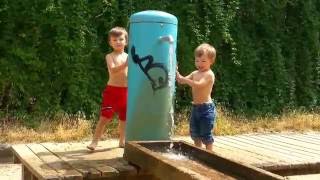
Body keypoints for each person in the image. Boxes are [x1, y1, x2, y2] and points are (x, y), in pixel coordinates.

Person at [87, 27, 128, 150]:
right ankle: (94, 142)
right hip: (112, 91)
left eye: (121, 39)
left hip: (126, 91)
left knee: (124, 118)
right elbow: (113, 70)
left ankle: (122, 141)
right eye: (114, 40)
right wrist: (126, 64)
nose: (118, 42)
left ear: (126, 41)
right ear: (110, 43)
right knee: (105, 117)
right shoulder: (109, 56)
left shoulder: (129, 56)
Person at [176, 43, 217, 151]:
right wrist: (176, 72)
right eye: (197, 60)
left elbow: (199, 85)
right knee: (195, 133)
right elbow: (181, 80)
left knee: (206, 135)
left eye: (203, 61)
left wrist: (185, 80)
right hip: (196, 108)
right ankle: (198, 152)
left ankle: (210, 154)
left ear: (211, 61)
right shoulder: (195, 73)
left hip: (206, 109)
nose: (200, 63)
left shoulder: (209, 74)